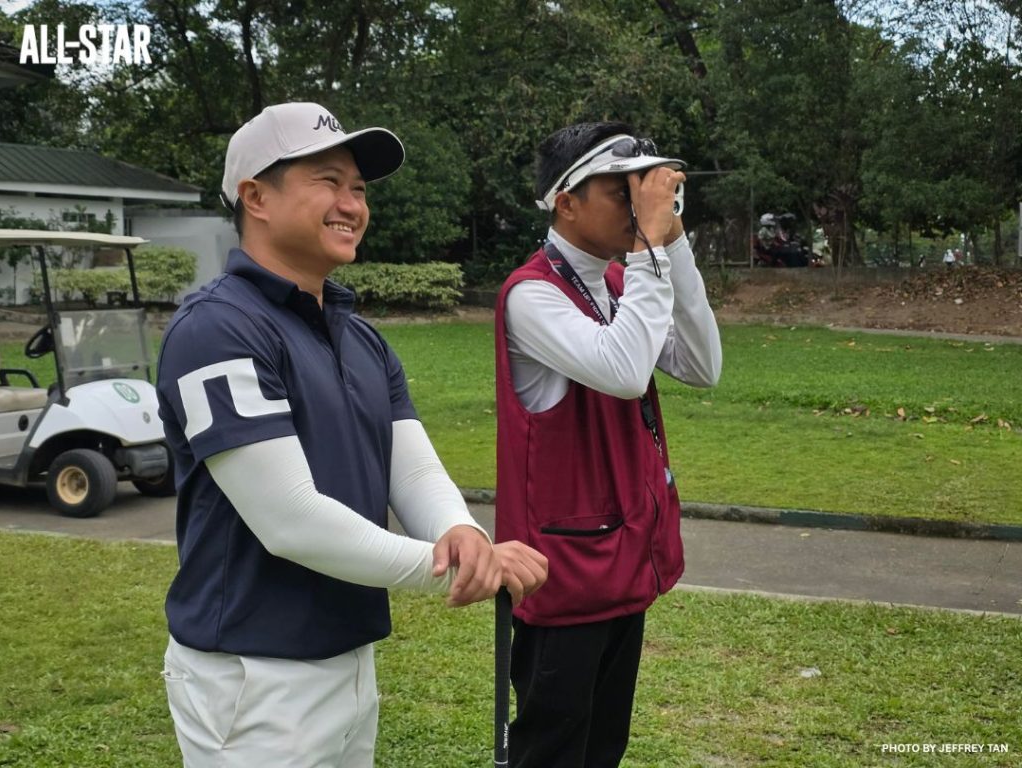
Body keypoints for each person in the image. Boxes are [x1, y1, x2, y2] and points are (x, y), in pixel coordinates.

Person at [155, 102, 547, 767]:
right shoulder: (217, 328)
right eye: (328, 181)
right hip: (251, 676)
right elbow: (289, 520)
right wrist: (453, 569)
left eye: (359, 188)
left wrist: (461, 533)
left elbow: (415, 474)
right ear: (256, 196)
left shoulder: (358, 335)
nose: (351, 204)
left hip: (347, 658)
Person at [494, 122, 722, 767]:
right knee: (554, 751)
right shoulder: (531, 294)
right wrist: (651, 254)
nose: (638, 205)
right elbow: (624, 372)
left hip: (620, 561)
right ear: (566, 200)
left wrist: (672, 248)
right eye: (622, 191)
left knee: (602, 750)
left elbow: (703, 365)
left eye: (643, 190)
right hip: (563, 577)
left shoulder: (623, 283)